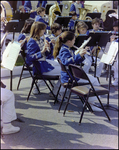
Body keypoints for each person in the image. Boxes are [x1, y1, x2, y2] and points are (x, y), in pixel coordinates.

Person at [53, 31, 103, 111]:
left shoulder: (66, 48)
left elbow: (74, 61)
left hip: (69, 76)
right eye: (73, 40)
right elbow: (66, 62)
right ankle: (90, 104)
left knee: (93, 80)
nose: (74, 42)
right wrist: (79, 55)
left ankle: (90, 101)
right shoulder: (64, 50)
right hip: (70, 77)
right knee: (94, 81)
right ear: (69, 41)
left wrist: (81, 55)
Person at [26, 22, 61, 95]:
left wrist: (49, 46)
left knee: (60, 66)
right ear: (37, 30)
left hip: (43, 63)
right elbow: (29, 58)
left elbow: (47, 54)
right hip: (39, 67)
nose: (44, 31)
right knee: (64, 72)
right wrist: (42, 51)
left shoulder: (39, 39)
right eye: (43, 30)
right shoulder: (32, 41)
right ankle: (56, 92)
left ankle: (55, 89)